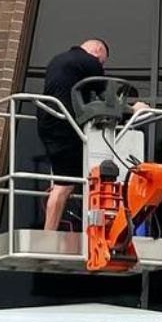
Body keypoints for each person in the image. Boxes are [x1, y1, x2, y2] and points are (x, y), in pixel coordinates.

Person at [38, 38, 108, 231]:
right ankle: (49, 234)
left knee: (66, 177)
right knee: (66, 184)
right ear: (97, 50)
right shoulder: (89, 61)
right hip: (66, 124)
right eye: (102, 62)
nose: (100, 66)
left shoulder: (58, 60)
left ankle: (52, 228)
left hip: (48, 121)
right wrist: (134, 108)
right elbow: (107, 95)